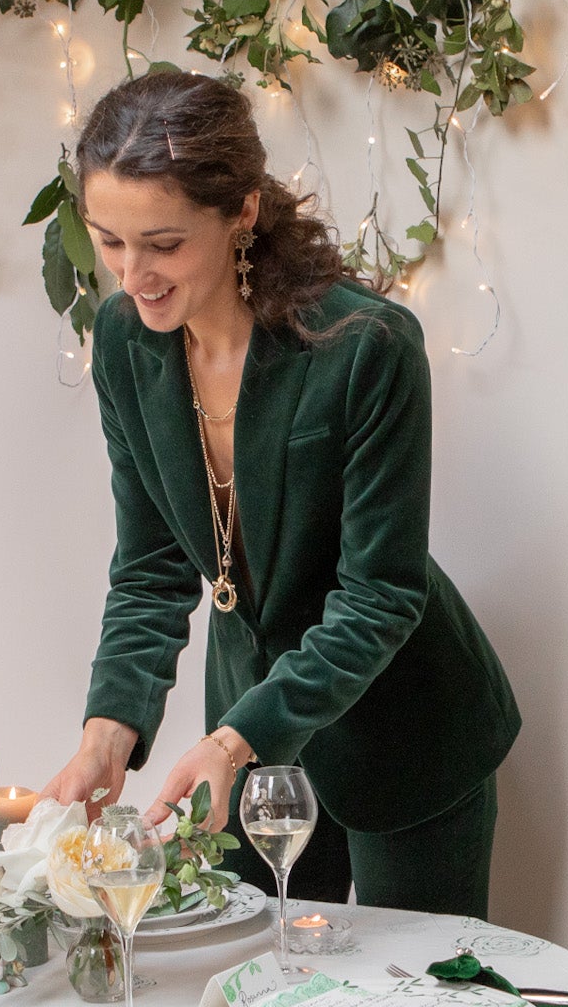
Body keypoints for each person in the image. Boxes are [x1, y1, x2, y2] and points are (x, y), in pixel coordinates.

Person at [41, 70, 520, 917]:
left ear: (243, 214)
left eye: (163, 242)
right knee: (245, 989)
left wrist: (235, 741)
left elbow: (379, 597)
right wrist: (107, 729)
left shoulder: (367, 346)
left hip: (402, 729)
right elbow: (151, 564)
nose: (132, 276)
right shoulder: (122, 342)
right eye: (108, 241)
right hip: (243, 735)